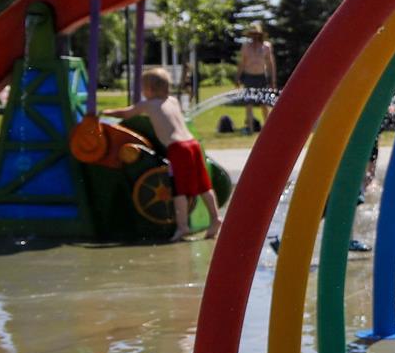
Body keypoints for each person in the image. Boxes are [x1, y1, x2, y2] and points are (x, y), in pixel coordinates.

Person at [111, 66, 222, 240]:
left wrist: (106, 112)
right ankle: (215, 219)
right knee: (204, 185)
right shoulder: (173, 101)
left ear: (149, 89)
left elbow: (127, 113)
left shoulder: (148, 104)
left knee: (179, 189)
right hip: (192, 144)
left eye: (142, 88)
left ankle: (183, 227)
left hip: (178, 148)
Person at [237, 22, 277, 91]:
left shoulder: (266, 46)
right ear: (250, 35)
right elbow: (242, 63)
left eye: (256, 34)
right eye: (252, 34)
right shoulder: (245, 46)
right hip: (249, 77)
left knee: (262, 100)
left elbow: (270, 64)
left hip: (262, 77)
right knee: (249, 100)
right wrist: (237, 77)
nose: (254, 36)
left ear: (259, 35)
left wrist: (273, 80)